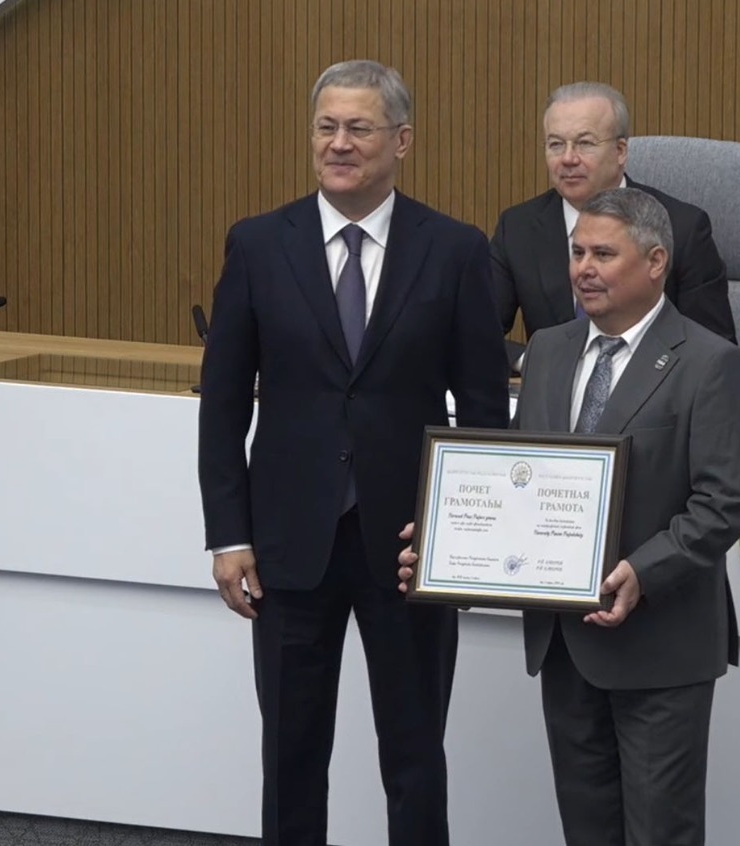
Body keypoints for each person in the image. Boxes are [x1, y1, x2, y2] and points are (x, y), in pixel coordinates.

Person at [197, 59, 510, 846]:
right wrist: (228, 535)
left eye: (358, 128)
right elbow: (223, 406)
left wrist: (458, 539)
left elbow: (482, 412)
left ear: (401, 141)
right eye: (326, 127)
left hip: (407, 549)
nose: (338, 144)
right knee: (291, 754)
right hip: (287, 546)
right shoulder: (259, 245)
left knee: (415, 755)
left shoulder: (455, 251)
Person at [401, 187, 740, 846]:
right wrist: (446, 548)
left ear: (656, 263)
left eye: (603, 254)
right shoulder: (548, 349)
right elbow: (520, 480)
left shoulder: (712, 363)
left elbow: (730, 498)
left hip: (659, 645)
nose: (583, 270)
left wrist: (644, 571)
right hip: (565, 642)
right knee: (586, 830)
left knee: (659, 832)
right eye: (577, 254)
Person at [489, 81, 736, 369]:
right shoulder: (519, 228)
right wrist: (536, 362)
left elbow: (713, 350)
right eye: (556, 144)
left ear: (620, 151)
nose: (568, 158)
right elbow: (474, 331)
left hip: (651, 390)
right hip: (555, 395)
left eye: (584, 143)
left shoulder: (681, 228)